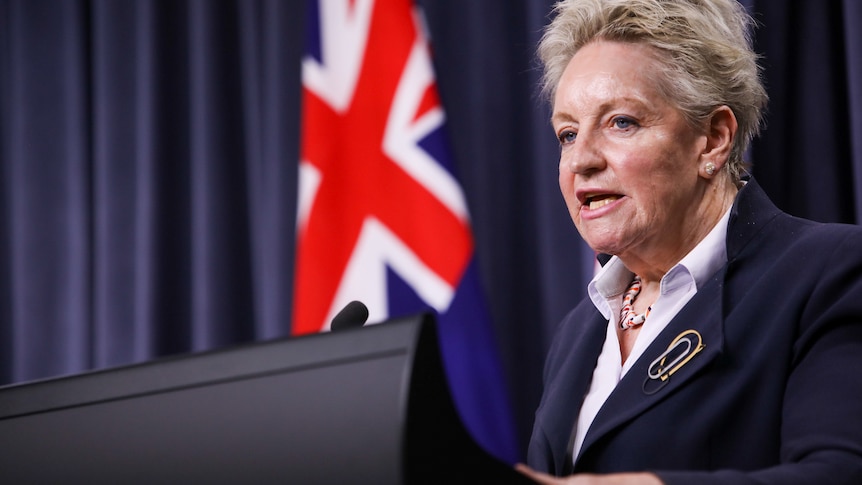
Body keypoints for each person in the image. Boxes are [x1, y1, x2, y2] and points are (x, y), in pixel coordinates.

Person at [515, 0, 862, 483]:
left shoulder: (832, 273)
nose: (581, 161)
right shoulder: (580, 331)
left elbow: (841, 474)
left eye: (621, 122)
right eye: (568, 134)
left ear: (714, 139)